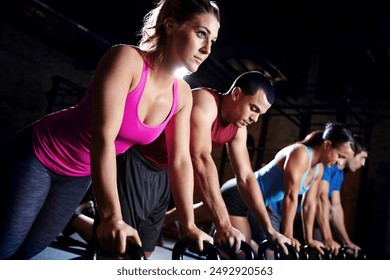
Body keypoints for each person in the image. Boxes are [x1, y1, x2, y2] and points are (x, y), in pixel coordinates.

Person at [0, 0, 220, 259]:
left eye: (213, 41)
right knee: (6, 248)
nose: (206, 49)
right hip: (42, 154)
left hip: (79, 174)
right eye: (201, 33)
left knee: (29, 252)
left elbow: (181, 161)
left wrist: (189, 225)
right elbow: (103, 138)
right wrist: (111, 217)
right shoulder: (126, 59)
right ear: (171, 26)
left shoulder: (182, 94)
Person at [220, 122, 356, 255]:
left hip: (255, 206)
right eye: (340, 156)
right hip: (239, 195)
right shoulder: (301, 153)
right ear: (327, 145)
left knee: (253, 251)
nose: (341, 163)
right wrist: (288, 235)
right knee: (242, 255)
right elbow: (290, 197)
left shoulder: (318, 169)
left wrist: (309, 239)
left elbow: (308, 205)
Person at [315, 135, 368, 257]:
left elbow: (336, 208)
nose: (363, 163)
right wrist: (328, 238)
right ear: (353, 153)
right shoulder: (328, 164)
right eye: (362, 158)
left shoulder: (339, 174)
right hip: (275, 208)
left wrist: (346, 242)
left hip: (297, 215)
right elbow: (321, 199)